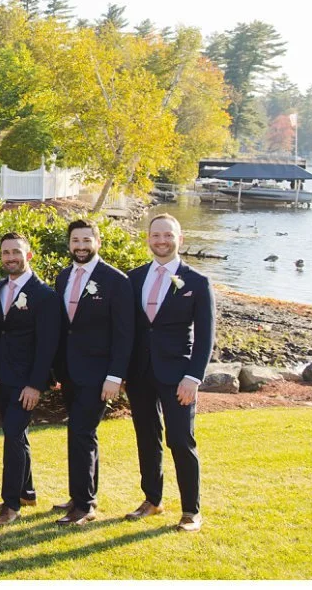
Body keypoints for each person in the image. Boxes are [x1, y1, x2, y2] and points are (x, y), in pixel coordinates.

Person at [125, 213, 214, 532]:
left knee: (180, 440)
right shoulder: (133, 278)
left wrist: (194, 377)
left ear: (180, 239)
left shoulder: (197, 282)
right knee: (147, 439)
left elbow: (206, 336)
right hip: (139, 374)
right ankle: (153, 500)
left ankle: (191, 510)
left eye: (168, 235)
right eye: (156, 235)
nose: (161, 241)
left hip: (179, 375)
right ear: (148, 239)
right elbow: (128, 330)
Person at [52, 219, 134, 526]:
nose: (81, 246)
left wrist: (115, 376)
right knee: (83, 434)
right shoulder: (63, 277)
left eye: (87, 240)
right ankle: (82, 496)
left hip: (100, 374)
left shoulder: (116, 280)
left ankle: (84, 506)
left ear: (97, 242)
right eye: (76, 241)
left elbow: (125, 334)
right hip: (70, 371)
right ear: (69, 243)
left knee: (81, 432)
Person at [0, 232, 60, 526]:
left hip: (27, 380)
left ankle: (11, 504)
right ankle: (26, 491)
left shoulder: (46, 296)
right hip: (3, 376)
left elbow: (48, 345)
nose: (10, 257)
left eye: (16, 252)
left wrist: (36, 384)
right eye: (5, 253)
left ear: (29, 256)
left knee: (12, 436)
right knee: (17, 435)